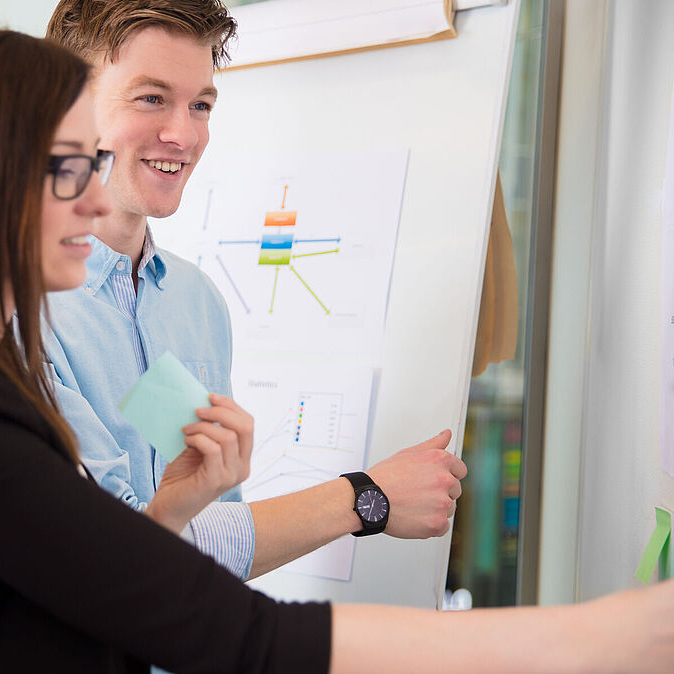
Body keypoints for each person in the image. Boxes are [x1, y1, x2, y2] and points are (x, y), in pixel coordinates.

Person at [0, 19, 674, 674]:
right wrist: (610, 636)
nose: (93, 197)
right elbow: (221, 628)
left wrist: (176, 510)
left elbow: (97, 575)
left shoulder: (168, 313)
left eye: (201, 105)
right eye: (72, 164)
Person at [44, 0, 466, 580]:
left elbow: (213, 527)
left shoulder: (197, 304)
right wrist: (365, 498)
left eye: (201, 105)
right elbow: (107, 546)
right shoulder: (11, 307)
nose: (183, 133)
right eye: (151, 98)